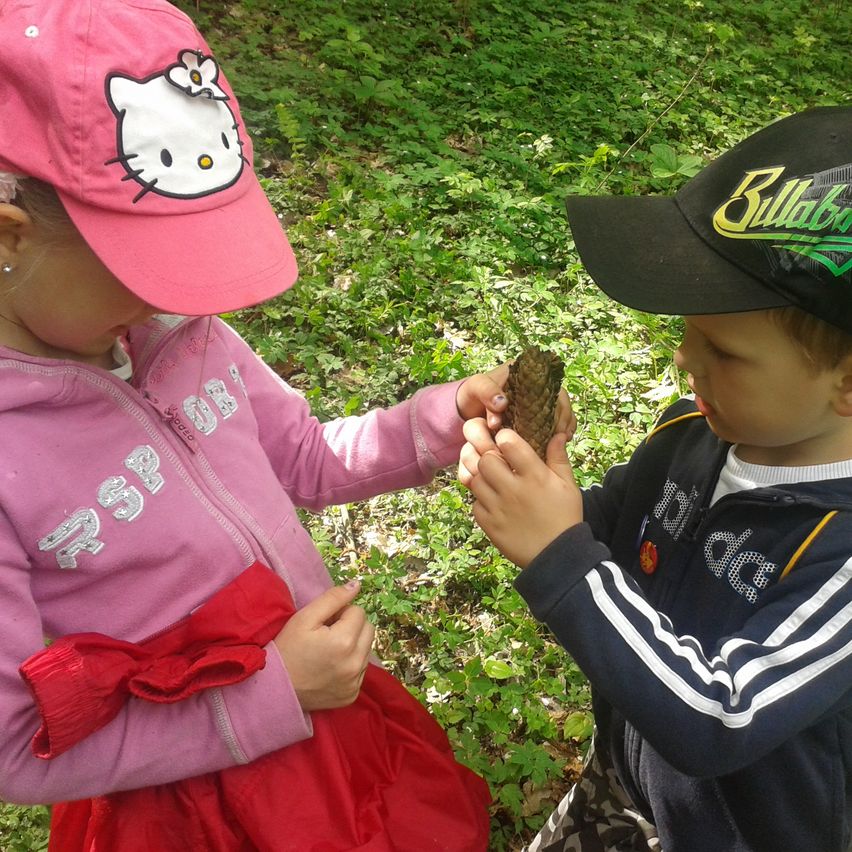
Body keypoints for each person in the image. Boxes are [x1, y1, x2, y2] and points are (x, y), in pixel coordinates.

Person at [0, 1, 579, 849]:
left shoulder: (186, 338)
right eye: (148, 269)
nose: (175, 299)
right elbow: (17, 748)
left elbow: (303, 458)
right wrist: (267, 697)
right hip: (194, 803)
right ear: (9, 236)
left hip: (324, 721)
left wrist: (443, 416)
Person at [459, 106, 852, 852]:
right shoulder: (691, 431)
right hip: (621, 784)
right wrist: (539, 485)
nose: (685, 361)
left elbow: (720, 715)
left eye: (724, 352)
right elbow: (610, 524)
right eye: (688, 333)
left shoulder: (843, 558)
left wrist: (563, 563)